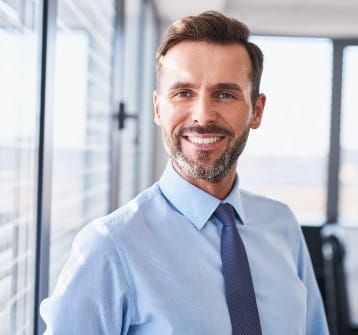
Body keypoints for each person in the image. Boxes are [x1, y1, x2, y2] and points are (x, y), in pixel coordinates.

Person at [40, 10, 329, 335]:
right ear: (158, 108)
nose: (203, 116)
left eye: (225, 94)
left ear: (256, 111)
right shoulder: (110, 247)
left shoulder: (282, 226)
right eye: (183, 93)